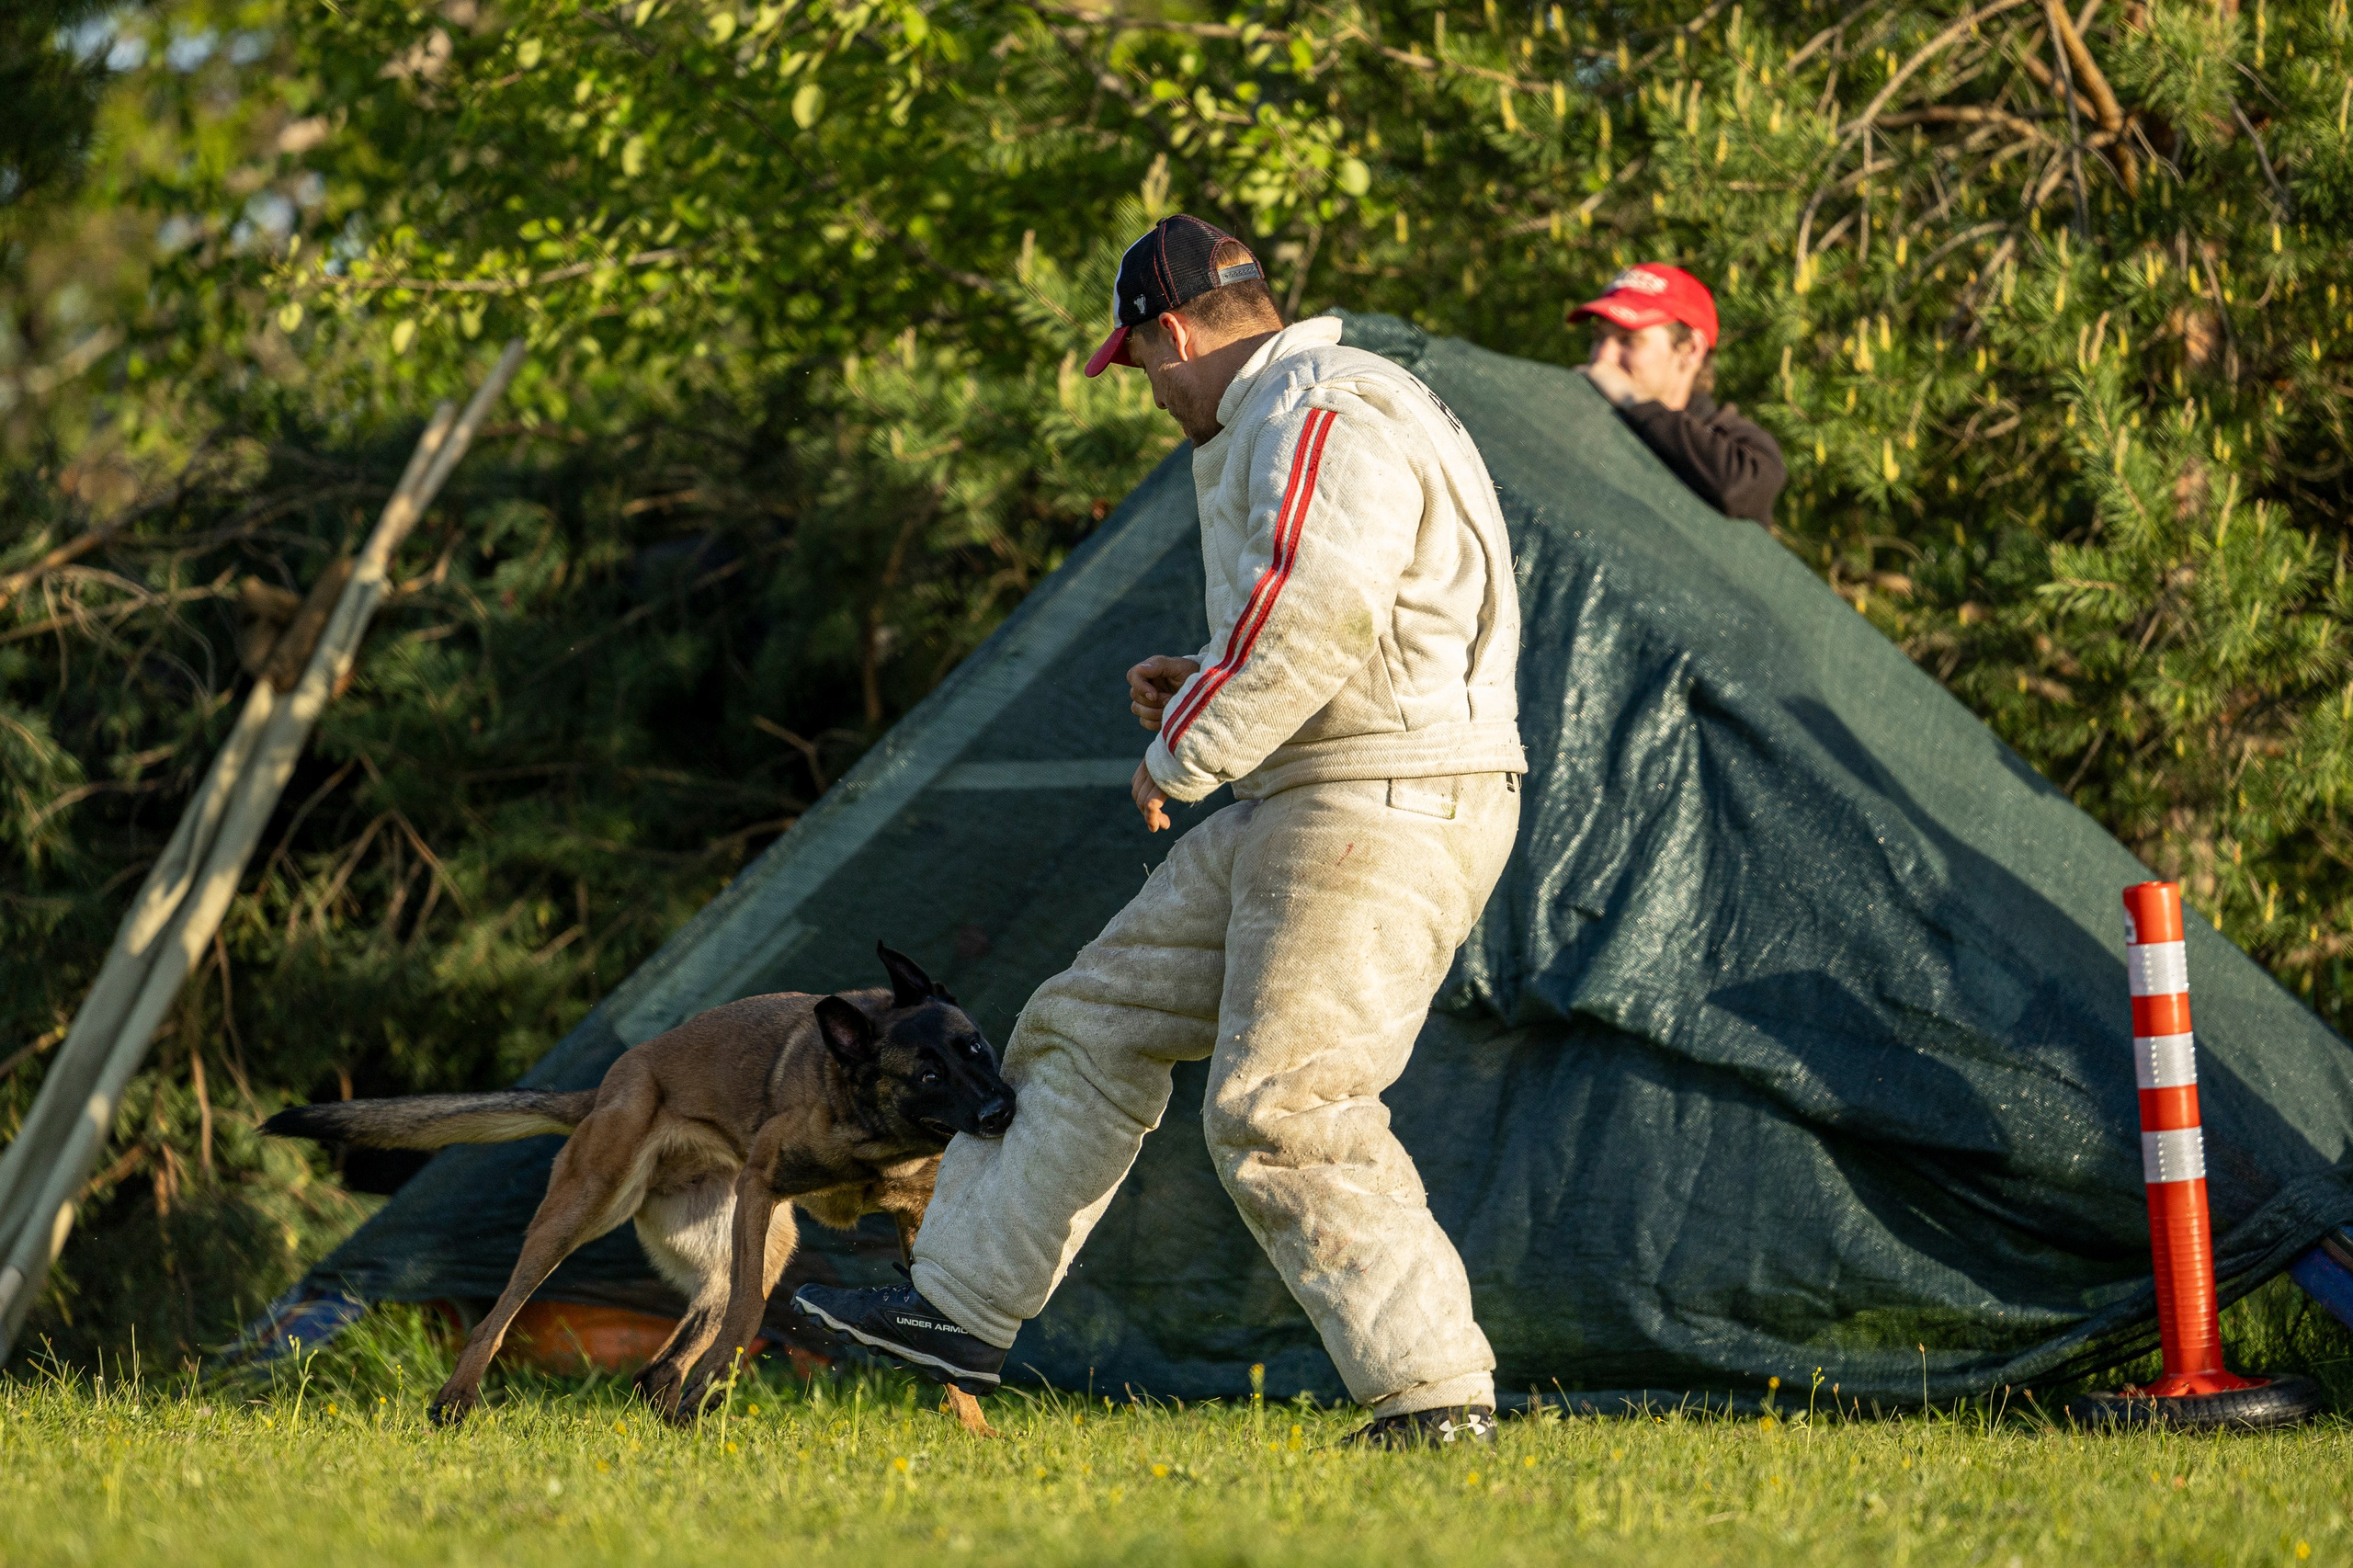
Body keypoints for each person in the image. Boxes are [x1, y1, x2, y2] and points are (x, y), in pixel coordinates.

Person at [794, 214, 1528, 1449]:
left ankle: (1437, 1398)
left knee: (1287, 1106)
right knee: (1092, 1021)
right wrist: (1205, 675)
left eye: (1139, 361)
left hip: (1378, 801)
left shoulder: (1317, 404)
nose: (1147, 390)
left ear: (1174, 332)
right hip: (1324, 790)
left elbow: (1319, 604)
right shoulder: (1318, 403)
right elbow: (1357, 615)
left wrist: (1186, 744)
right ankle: (953, 1308)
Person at [1573, 263, 1786, 525]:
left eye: (1629, 340)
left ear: (1691, 349)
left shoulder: (1736, 441)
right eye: (1598, 338)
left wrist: (1634, 400)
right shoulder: (1587, 422)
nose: (1602, 358)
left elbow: (1740, 488)